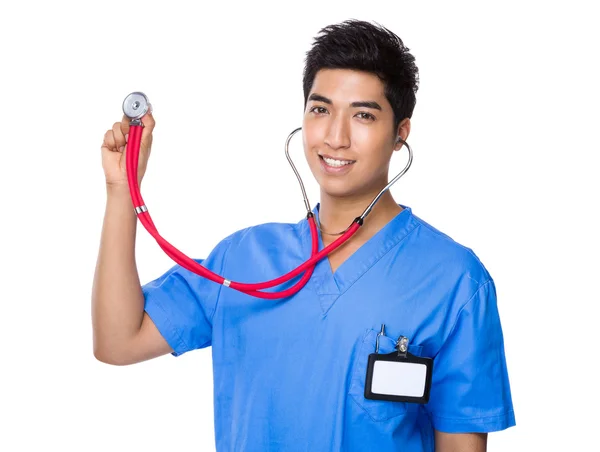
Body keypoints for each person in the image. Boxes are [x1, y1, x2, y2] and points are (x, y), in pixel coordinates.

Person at [93, 19, 515, 452]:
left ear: (400, 134)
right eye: (321, 109)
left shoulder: (454, 279)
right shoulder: (242, 261)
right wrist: (122, 190)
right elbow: (117, 341)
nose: (336, 137)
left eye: (364, 115)